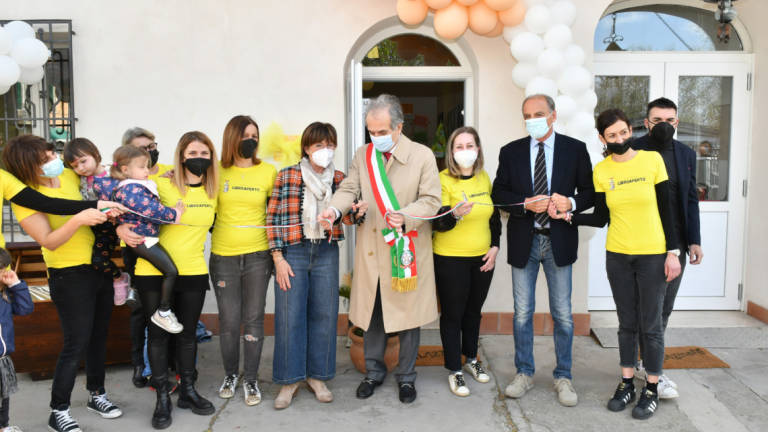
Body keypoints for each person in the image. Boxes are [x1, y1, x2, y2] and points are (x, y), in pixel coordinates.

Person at [550, 108, 681, 420]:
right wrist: (568, 216)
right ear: (602, 138)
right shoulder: (602, 170)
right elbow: (600, 215)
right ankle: (626, 383)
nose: (620, 139)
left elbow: (667, 210)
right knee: (626, 324)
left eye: (623, 132)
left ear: (631, 130)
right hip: (618, 256)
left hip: (652, 255)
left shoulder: (652, 161)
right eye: (612, 135)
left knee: (651, 326)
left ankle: (650, 388)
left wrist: (672, 252)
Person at [321, 94, 442, 404]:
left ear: (398, 127)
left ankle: (406, 377)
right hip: (373, 249)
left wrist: (408, 215)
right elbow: (349, 188)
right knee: (373, 313)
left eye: (381, 132)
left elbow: (432, 200)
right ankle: (373, 372)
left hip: (405, 247)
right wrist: (334, 211)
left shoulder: (422, 155)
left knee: (407, 317)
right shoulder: (364, 155)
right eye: (371, 132)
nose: (376, 138)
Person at [5, 135, 123, 432]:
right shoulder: (25, 196)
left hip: (100, 268)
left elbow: (107, 176)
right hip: (68, 275)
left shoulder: (71, 175)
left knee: (99, 336)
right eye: (45, 160)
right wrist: (78, 220)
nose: (54, 162)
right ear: (28, 166)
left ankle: (97, 394)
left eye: (52, 154)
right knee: (75, 342)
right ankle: (58, 411)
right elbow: (48, 241)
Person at [491, 94, 594, 407]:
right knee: (522, 313)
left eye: (538, 113)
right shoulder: (511, 152)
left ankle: (563, 376)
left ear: (553, 115)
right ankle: (524, 372)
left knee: (563, 314)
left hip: (559, 241)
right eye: (527, 114)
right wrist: (524, 203)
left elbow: (591, 193)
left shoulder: (575, 149)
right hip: (525, 240)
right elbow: (498, 193)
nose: (532, 119)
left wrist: (571, 202)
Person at [117, 131, 218, 430]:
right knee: (158, 335)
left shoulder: (214, 191)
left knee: (187, 335)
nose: (198, 159)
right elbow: (124, 203)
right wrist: (120, 227)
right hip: (153, 271)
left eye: (204, 154)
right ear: (181, 155)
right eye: (192, 154)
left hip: (193, 270)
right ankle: (162, 397)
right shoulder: (159, 183)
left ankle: (187, 390)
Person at [267, 122, 364, 409]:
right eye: (319, 145)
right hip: (293, 252)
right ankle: (289, 380)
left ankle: (318, 377)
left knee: (324, 313)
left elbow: (347, 218)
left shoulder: (340, 178)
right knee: (289, 315)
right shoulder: (287, 175)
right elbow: (272, 219)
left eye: (330, 145)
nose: (325, 151)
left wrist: (356, 212)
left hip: (326, 251)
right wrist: (278, 258)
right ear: (307, 148)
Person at [632, 97, 703, 398]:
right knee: (643, 309)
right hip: (642, 243)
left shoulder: (686, 153)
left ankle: (647, 365)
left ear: (677, 122)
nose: (664, 125)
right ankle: (649, 370)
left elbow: (690, 198)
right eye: (657, 120)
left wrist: (694, 240)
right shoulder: (632, 150)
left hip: (675, 247)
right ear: (647, 122)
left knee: (663, 310)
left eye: (670, 120)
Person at [210, 115, 276, 406]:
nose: (251, 140)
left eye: (255, 135)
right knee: (229, 321)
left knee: (253, 319)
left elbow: (275, 215)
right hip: (224, 255)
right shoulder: (217, 172)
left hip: (258, 256)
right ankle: (230, 374)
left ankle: (250, 377)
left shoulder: (268, 171)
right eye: (245, 135)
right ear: (231, 138)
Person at [431, 126, 500, 397]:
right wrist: (455, 214)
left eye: (469, 145)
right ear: (451, 152)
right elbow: (437, 223)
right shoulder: (442, 179)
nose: (465, 151)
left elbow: (493, 217)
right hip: (450, 259)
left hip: (482, 257)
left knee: (474, 312)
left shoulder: (484, 178)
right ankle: (454, 370)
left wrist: (495, 247)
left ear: (478, 149)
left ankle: (471, 359)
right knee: (452, 315)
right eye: (459, 147)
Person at [122, 127, 174, 388]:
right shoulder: (126, 179)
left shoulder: (166, 170)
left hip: (165, 245)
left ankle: (166, 366)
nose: (150, 151)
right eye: (143, 148)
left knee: (166, 308)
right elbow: (111, 209)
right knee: (142, 310)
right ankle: (139, 364)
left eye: (152, 145)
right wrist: (119, 227)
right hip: (136, 246)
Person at [63, 138, 131, 305]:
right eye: (75, 166)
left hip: (111, 226)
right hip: (91, 227)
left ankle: (119, 278)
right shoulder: (81, 180)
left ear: (95, 154)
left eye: (83, 161)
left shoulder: (113, 173)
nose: (81, 168)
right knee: (94, 262)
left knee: (98, 260)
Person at [0, 248, 34, 432]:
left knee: (4, 397)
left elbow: (25, 309)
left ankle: (3, 427)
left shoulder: (5, 294)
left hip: (3, 360)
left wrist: (16, 285)